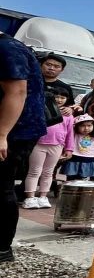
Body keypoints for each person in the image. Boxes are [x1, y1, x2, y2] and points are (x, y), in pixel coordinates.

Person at [0, 34, 46, 263]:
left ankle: (2, 248)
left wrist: (2, 134)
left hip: (15, 131)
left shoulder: (6, 48)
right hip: (11, 128)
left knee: (1, 186)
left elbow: (17, 92)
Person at [22, 89, 75, 209]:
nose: (59, 99)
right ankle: (30, 198)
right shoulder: (41, 109)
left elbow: (70, 133)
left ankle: (43, 197)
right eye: (57, 97)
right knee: (34, 171)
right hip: (38, 144)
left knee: (48, 172)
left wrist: (69, 148)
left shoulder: (68, 115)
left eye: (63, 97)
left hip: (57, 146)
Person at [64, 115, 94, 180]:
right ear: (77, 126)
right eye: (82, 126)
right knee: (71, 177)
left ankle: (81, 190)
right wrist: (78, 117)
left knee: (84, 179)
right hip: (75, 158)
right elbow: (71, 125)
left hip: (89, 159)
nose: (86, 128)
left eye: (89, 126)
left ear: (93, 126)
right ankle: (70, 189)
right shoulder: (75, 134)